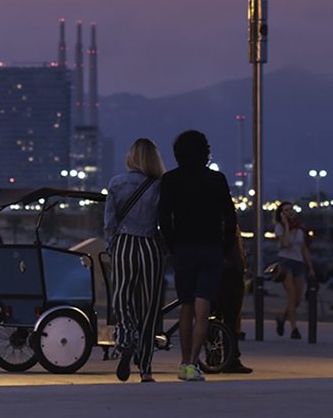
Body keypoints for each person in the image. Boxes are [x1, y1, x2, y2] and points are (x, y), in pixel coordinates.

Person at [158, 130, 238, 382]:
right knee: (203, 310)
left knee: (186, 307)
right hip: (211, 248)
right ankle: (193, 364)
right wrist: (225, 248)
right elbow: (230, 217)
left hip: (183, 249)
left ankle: (183, 362)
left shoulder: (170, 180)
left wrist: (173, 245)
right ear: (205, 151)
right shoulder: (217, 179)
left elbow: (164, 218)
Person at [103, 138, 167, 383]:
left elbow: (109, 223)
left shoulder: (117, 183)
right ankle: (146, 367)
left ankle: (126, 339)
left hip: (124, 244)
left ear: (131, 157)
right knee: (149, 307)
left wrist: (112, 246)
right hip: (150, 245)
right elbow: (164, 220)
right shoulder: (159, 185)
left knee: (122, 297)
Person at [213, 226, 253, 373]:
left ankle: (214, 356)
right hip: (229, 271)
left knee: (215, 316)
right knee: (231, 319)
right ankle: (230, 359)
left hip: (219, 270)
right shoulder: (228, 223)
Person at [273, 201, 314, 339]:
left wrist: (310, 267)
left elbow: (304, 248)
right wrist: (286, 225)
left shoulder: (300, 228)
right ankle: (294, 328)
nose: (289, 211)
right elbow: (286, 243)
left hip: (299, 262)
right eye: (286, 210)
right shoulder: (279, 227)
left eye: (290, 209)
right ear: (281, 213)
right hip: (286, 262)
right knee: (291, 295)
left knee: (297, 298)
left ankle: (282, 319)